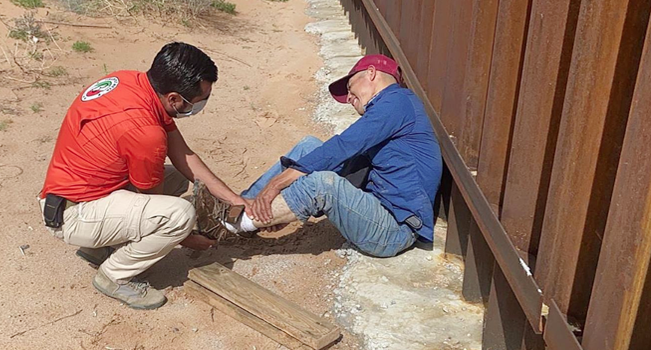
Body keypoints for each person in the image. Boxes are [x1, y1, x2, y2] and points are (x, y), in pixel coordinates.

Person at [39, 42, 248, 310]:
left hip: (68, 195)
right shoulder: (145, 132)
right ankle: (114, 276)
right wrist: (187, 238)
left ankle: (98, 248)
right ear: (174, 99)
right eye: (198, 101)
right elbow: (154, 201)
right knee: (179, 215)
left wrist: (233, 198)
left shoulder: (128, 82)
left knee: (175, 178)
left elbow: (183, 155)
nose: (201, 105)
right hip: (71, 216)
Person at [195, 54, 442, 257]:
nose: (350, 100)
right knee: (309, 146)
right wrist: (284, 204)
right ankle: (240, 206)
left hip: (393, 229)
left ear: (371, 73)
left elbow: (344, 146)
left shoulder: (397, 101)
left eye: (350, 88)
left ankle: (233, 224)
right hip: (372, 209)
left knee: (323, 183)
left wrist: (276, 186)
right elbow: (348, 165)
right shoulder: (391, 110)